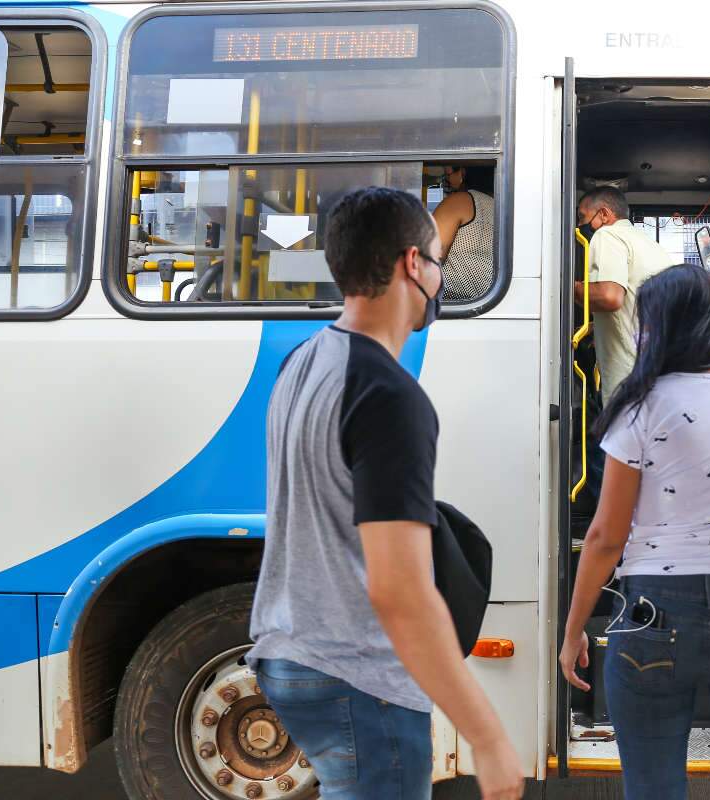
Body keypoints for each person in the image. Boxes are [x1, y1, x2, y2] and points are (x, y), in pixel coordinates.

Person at [247, 187, 524, 800]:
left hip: (290, 653)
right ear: (411, 264)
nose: (440, 273)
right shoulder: (388, 394)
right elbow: (398, 588)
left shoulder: (304, 360)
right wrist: (488, 736)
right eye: (436, 258)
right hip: (358, 669)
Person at [558, 263, 710, 800]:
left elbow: (606, 535)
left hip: (654, 614)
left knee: (652, 789)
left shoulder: (642, 404)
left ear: (658, 327)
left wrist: (574, 627)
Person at [575, 186, 675, 404]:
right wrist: (597, 327)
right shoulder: (648, 243)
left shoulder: (607, 235)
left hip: (629, 376)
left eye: (583, 217)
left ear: (604, 214)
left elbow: (610, 297)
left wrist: (573, 288)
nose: (580, 225)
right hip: (658, 370)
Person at [432, 164, 496, 302]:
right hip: (486, 301)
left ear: (462, 173)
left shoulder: (459, 201)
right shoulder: (498, 205)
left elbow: (430, 257)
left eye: (448, 174)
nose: (446, 179)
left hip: (455, 301)